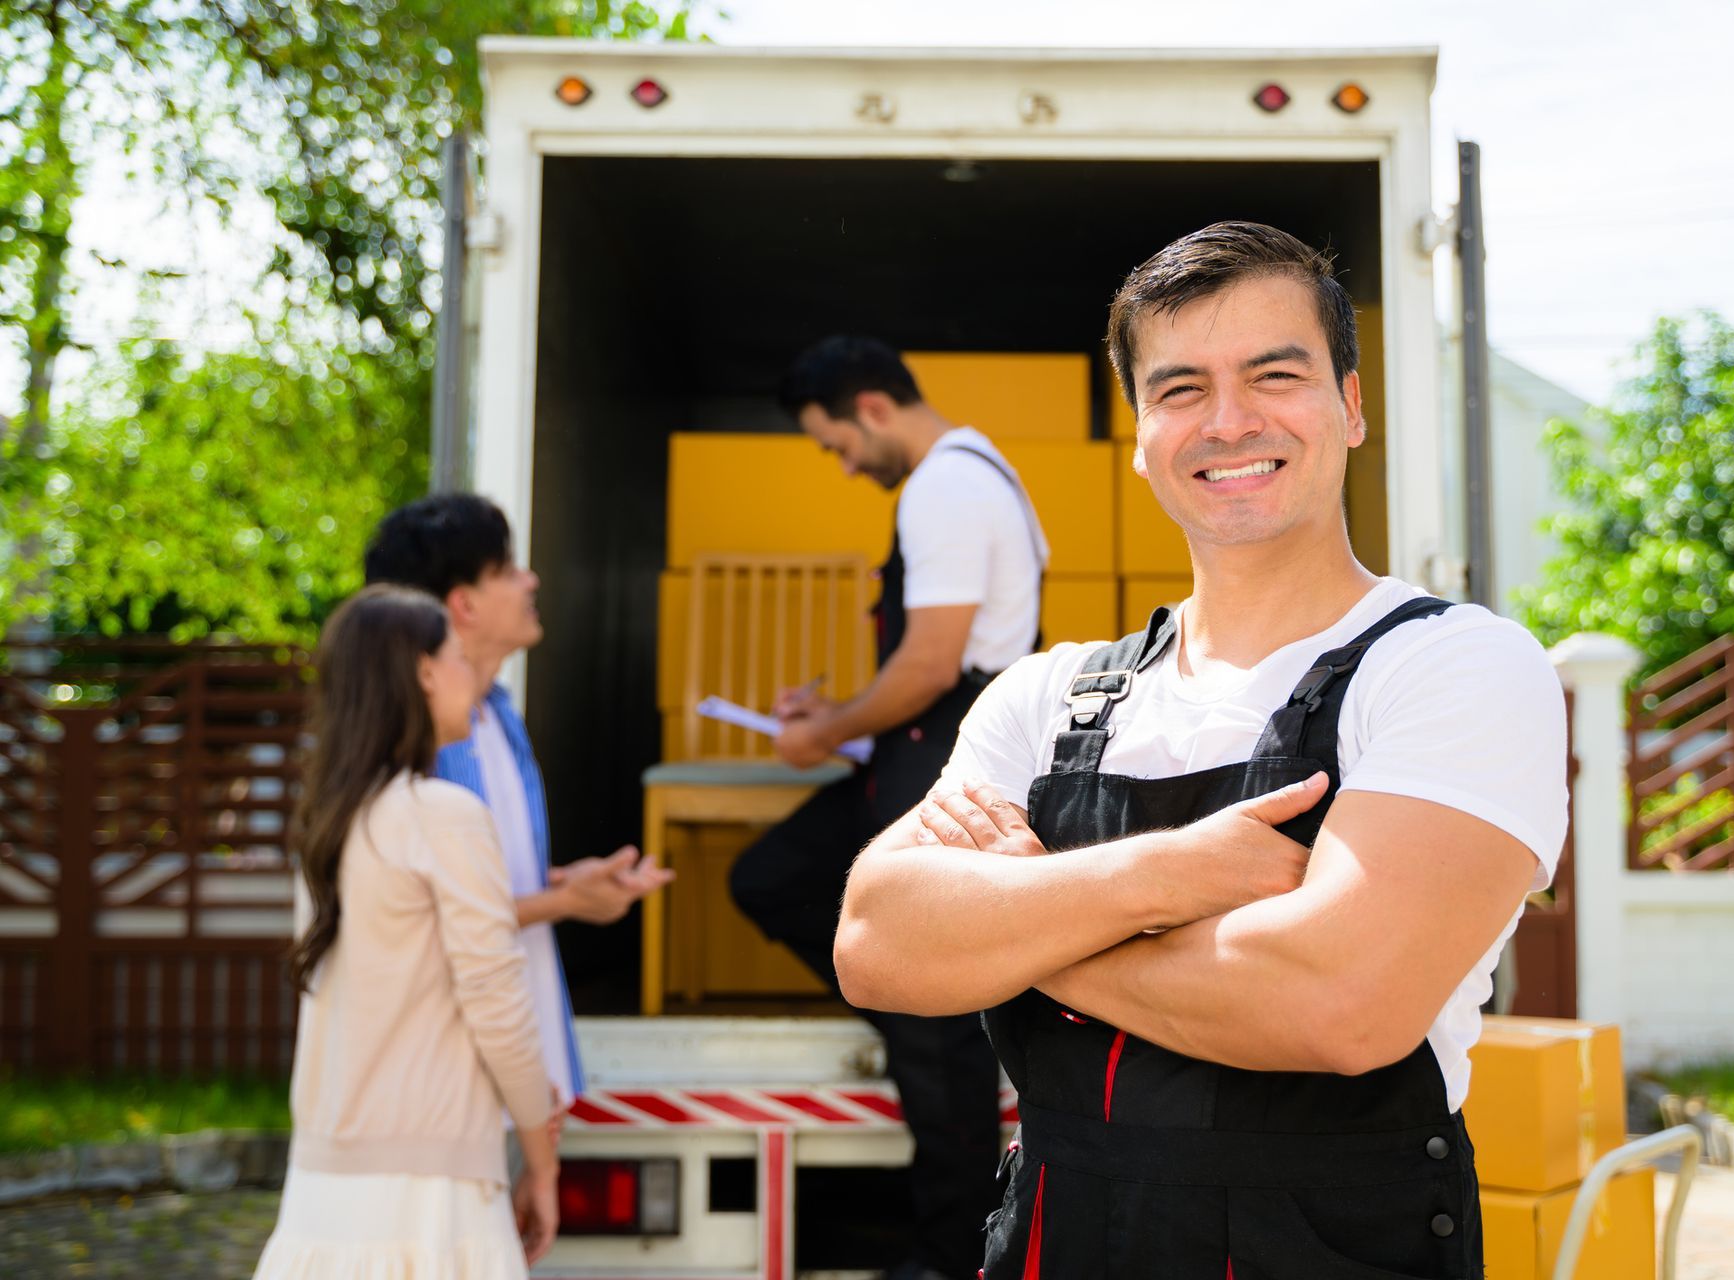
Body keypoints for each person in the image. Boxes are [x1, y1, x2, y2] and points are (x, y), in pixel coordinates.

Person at [835, 223, 1570, 1278]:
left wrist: (1023, 921)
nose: (1229, 421)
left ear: (1351, 406)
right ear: (1141, 433)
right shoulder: (1049, 693)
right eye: (1180, 389)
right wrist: (1168, 872)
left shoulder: (1454, 668)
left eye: (1275, 374)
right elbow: (877, 937)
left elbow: (1342, 1003)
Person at [729, 335, 1049, 1280]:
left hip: (942, 760)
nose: (843, 463)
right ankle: (923, 1010)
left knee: (931, 1036)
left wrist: (822, 735)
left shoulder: (944, 485)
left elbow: (931, 663)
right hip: (921, 751)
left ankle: (949, 1257)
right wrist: (837, 716)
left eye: (835, 443)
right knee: (774, 879)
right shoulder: (983, 468)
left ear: (871, 408)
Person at [256, 584, 557, 1278]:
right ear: (423, 672)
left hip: (323, 1187)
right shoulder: (443, 814)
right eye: (457, 656)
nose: (474, 673)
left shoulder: (329, 823)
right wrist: (540, 1160)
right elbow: (498, 1003)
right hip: (430, 1191)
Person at [364, 494, 672, 1117]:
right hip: (453, 1083)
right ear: (463, 604)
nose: (531, 579)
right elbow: (426, 916)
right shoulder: (409, 746)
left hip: (525, 1063)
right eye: (507, 568)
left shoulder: (499, 715)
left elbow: (486, 882)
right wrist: (564, 903)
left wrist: (562, 881)